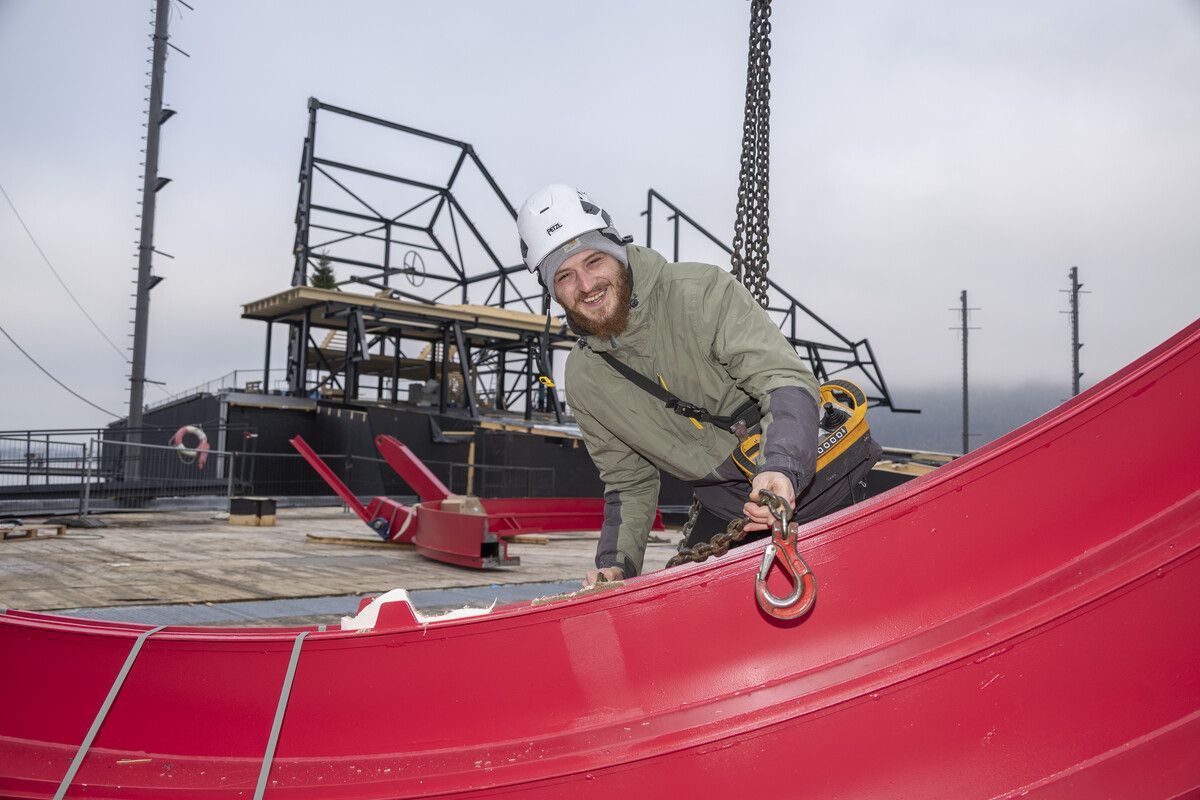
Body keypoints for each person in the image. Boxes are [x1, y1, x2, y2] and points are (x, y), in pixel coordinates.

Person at [516, 184, 879, 587]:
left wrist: (781, 468)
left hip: (818, 481)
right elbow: (627, 482)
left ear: (618, 252)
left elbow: (783, 380)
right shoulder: (585, 378)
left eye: (594, 260)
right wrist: (617, 563)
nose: (586, 285)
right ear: (552, 293)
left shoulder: (701, 292)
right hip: (729, 511)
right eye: (565, 276)